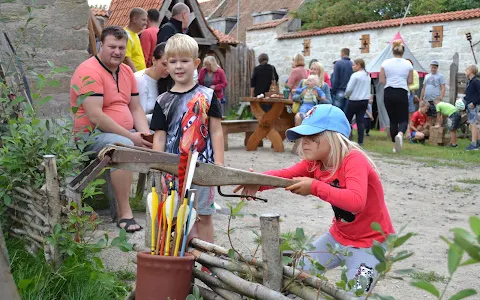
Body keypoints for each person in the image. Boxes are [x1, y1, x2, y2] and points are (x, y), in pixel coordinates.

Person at [234, 104, 394, 295]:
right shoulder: (315, 163)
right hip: (338, 236)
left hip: (371, 244)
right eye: (303, 137)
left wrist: (314, 187)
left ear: (334, 138)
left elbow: (356, 201)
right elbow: (285, 176)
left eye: (313, 137)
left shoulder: (354, 159)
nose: (305, 143)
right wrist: (257, 182)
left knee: (355, 294)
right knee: (295, 273)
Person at [70, 26, 152, 233]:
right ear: (101, 46)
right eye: (112, 46)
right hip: (90, 137)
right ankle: (125, 213)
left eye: (121, 47)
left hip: (122, 134)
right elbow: (95, 116)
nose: (117, 51)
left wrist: (145, 135)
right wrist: (131, 137)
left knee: (159, 139)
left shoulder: (126, 71)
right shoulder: (88, 71)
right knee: (123, 146)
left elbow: (135, 107)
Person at [150, 34, 224, 249]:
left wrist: (218, 165)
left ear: (196, 63)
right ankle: (187, 261)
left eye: (184, 61)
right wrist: (159, 168)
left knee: (204, 215)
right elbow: (160, 137)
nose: (179, 66)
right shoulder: (162, 101)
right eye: (172, 61)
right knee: (177, 216)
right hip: (172, 170)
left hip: (203, 169)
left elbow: (216, 131)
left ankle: (210, 264)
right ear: (166, 65)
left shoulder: (208, 96)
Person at [379, 40, 413, 153]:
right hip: (401, 92)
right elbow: (410, 80)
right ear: (403, 52)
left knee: (393, 120)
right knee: (403, 119)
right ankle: (400, 134)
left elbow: (382, 80)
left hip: (388, 92)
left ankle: (395, 146)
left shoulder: (385, 63)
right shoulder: (408, 64)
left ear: (392, 51)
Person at [135, 42, 170, 124]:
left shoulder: (168, 80)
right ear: (154, 60)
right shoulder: (140, 80)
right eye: (164, 64)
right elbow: (139, 116)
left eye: (171, 64)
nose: (168, 69)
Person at [345, 58, 371, 146]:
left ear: (359, 65)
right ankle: (360, 141)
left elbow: (349, 89)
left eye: (354, 65)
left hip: (354, 100)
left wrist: (347, 95)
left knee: (347, 119)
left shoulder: (355, 75)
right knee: (360, 120)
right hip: (364, 100)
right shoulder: (367, 76)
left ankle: (347, 136)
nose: (352, 67)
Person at [124, 8, 147, 72]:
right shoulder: (126, 35)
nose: (145, 23)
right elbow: (127, 58)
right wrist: (136, 74)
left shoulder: (135, 35)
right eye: (143, 20)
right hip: (133, 75)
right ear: (135, 19)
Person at [463, 64, 480, 150]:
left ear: (472, 71)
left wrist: (474, 102)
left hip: (473, 105)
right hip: (469, 105)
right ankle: (478, 142)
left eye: (467, 69)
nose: (466, 70)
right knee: (472, 124)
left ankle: (473, 144)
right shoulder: (469, 82)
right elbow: (469, 95)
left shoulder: (475, 81)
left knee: (473, 124)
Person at [406, 58, 420, 136]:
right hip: (402, 94)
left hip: (410, 94)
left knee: (410, 113)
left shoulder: (414, 72)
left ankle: (409, 132)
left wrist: (407, 88)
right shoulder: (403, 72)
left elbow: (417, 85)